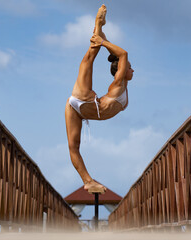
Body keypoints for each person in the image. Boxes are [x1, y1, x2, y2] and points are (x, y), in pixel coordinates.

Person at [65, 4, 134, 193]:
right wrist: (101, 41)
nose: (132, 69)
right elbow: (123, 54)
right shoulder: (118, 83)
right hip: (84, 100)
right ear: (120, 71)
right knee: (88, 58)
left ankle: (88, 181)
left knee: (74, 146)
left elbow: (118, 55)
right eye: (129, 67)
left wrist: (103, 38)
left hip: (78, 111)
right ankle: (97, 24)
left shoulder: (122, 87)